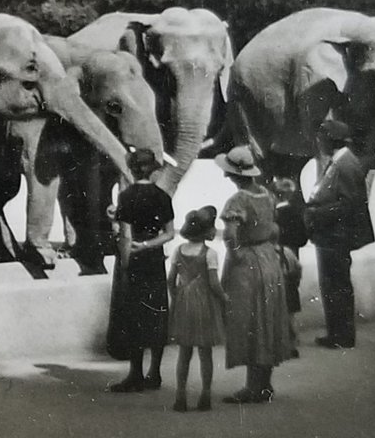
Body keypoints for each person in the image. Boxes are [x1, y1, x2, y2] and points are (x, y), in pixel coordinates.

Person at [215, 145, 291, 404]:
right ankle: (264, 383)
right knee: (267, 319)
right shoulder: (267, 196)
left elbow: (230, 236)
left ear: (232, 175)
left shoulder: (238, 200)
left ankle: (252, 387)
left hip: (248, 263)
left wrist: (236, 256)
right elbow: (274, 229)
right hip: (268, 258)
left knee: (249, 321)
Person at [105, 149, 176, 393]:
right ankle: (154, 372)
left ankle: (135, 373)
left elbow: (125, 234)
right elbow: (169, 233)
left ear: (133, 170)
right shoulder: (162, 196)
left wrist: (125, 263)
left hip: (134, 258)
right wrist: (149, 244)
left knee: (134, 314)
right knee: (156, 312)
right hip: (154, 258)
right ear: (153, 169)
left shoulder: (126, 196)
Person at [305, 118, 375, 349]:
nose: (320, 143)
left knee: (336, 285)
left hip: (336, 236)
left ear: (330, 140)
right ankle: (337, 333)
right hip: (332, 235)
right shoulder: (341, 161)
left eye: (322, 139)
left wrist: (316, 213)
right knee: (334, 285)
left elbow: (348, 204)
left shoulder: (345, 164)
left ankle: (341, 335)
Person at [167, 205, 227, 412]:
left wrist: (177, 295)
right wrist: (224, 298)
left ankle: (180, 396)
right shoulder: (209, 254)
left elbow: (170, 279)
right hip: (204, 304)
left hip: (184, 301)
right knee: (205, 352)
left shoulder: (178, 250)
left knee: (184, 352)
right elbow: (214, 283)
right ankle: (206, 395)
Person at [272, 176, 308, 359]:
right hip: (292, 260)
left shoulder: (274, 216)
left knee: (278, 301)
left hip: (277, 259)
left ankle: (282, 341)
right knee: (291, 303)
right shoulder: (297, 213)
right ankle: (293, 340)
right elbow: (303, 239)